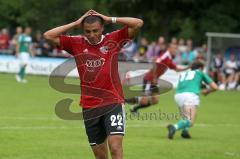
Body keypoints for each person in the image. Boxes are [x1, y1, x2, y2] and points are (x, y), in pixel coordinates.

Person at [44, 10, 143, 159]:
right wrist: (76, 23)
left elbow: (138, 23)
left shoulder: (114, 39)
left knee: (115, 147)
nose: (91, 35)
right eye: (87, 31)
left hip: (112, 102)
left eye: (95, 30)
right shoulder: (75, 43)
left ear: (102, 28)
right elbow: (48, 35)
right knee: (100, 156)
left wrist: (111, 18)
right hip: (89, 106)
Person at [126, 43, 189, 114]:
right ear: (169, 49)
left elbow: (176, 69)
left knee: (155, 100)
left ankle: (134, 109)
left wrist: (188, 67)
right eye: (174, 48)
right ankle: (126, 100)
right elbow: (156, 62)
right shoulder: (165, 56)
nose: (175, 50)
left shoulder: (169, 58)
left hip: (154, 80)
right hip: (149, 79)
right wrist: (155, 77)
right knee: (144, 100)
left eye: (175, 48)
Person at [167, 61, 218, 139]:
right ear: (201, 68)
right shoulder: (200, 73)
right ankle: (174, 127)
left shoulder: (184, 74)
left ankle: (185, 131)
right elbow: (215, 87)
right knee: (190, 121)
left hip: (178, 95)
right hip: (190, 95)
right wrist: (207, 91)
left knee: (187, 117)